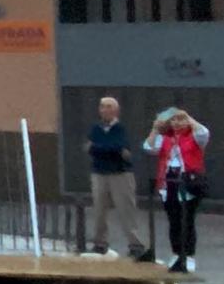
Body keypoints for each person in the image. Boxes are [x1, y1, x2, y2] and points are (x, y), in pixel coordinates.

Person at [147, 108, 210, 274]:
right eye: (173, 120)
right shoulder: (165, 138)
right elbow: (149, 147)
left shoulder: (194, 136)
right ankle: (176, 253)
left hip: (188, 180)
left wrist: (189, 118)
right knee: (173, 219)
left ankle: (189, 255)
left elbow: (204, 132)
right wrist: (155, 129)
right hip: (168, 181)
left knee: (187, 219)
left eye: (180, 119)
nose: (176, 123)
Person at [87, 97, 148, 260]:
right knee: (99, 209)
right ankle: (100, 243)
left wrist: (100, 148)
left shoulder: (122, 128)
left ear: (116, 110)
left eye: (109, 107)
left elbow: (121, 148)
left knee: (126, 209)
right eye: (103, 106)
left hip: (121, 174)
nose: (105, 110)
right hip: (99, 173)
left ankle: (136, 245)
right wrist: (109, 149)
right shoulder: (96, 128)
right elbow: (90, 148)